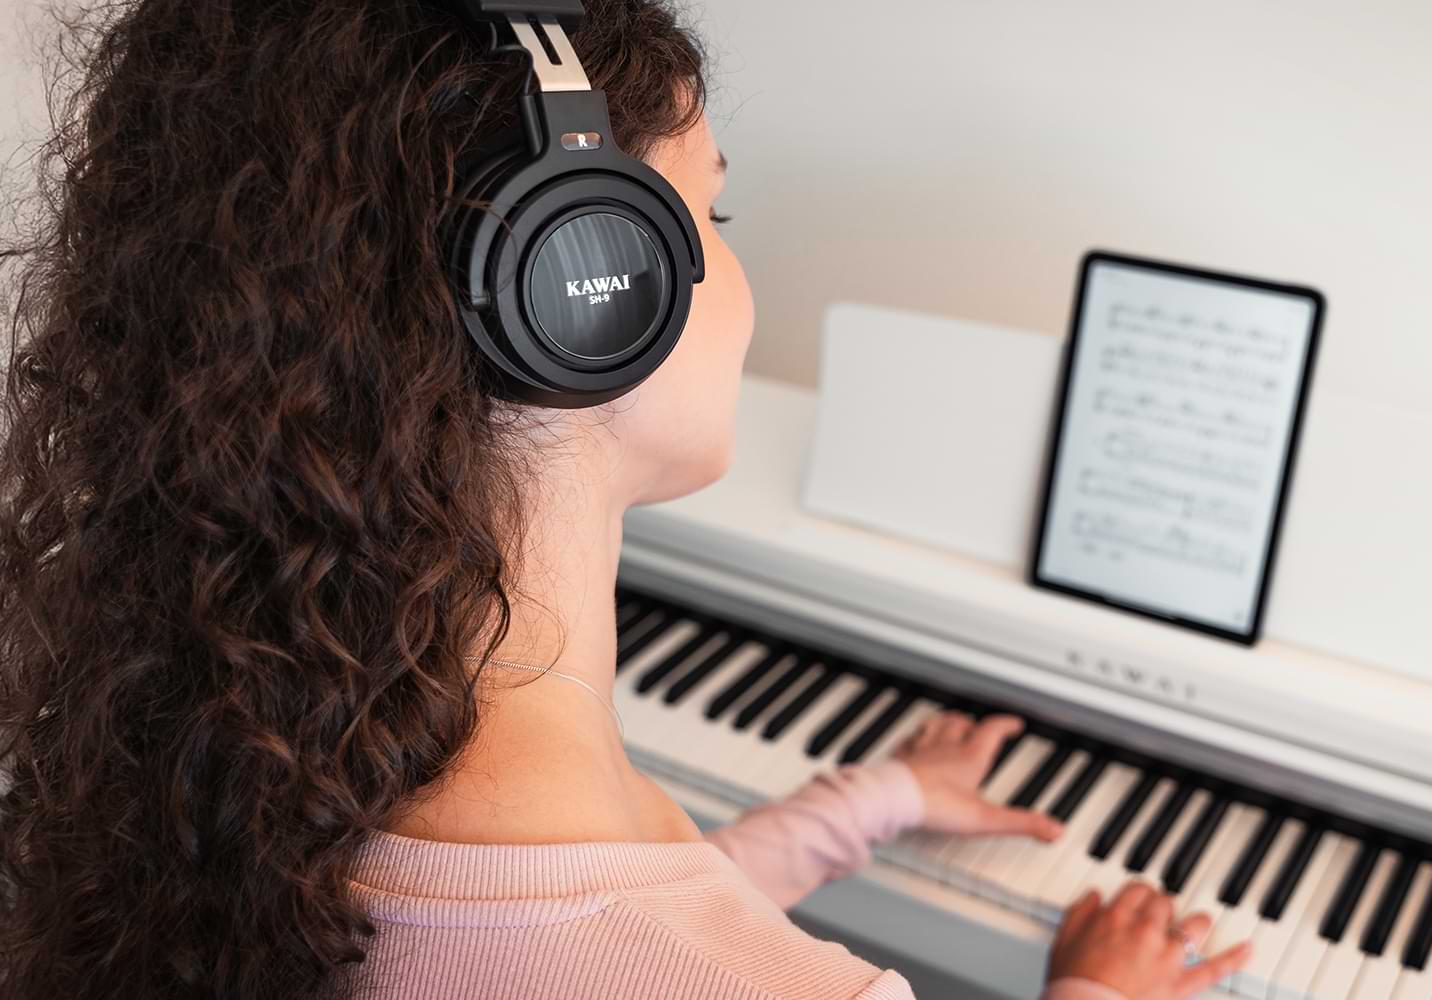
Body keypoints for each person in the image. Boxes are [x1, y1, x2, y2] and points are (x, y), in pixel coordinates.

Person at [0, 1, 1251, 998]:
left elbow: (576, 935)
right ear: (581, 287)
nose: (742, 271)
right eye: (713, 212)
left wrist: (868, 800)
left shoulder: (267, 749)